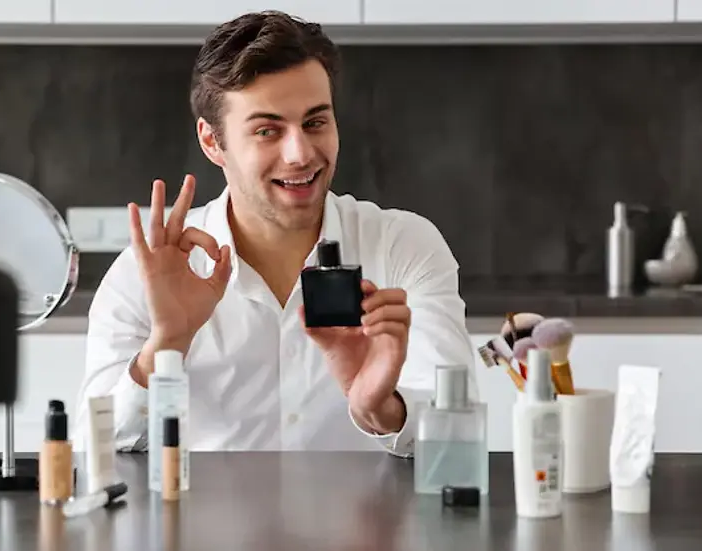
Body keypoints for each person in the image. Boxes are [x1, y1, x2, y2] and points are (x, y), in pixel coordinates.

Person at [74, 10, 476, 456]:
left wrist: (379, 408)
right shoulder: (146, 272)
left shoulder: (405, 247)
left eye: (315, 122)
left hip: (367, 527)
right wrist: (165, 346)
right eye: (268, 130)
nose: (301, 153)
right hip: (200, 528)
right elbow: (94, 453)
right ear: (212, 142)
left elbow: (457, 442)